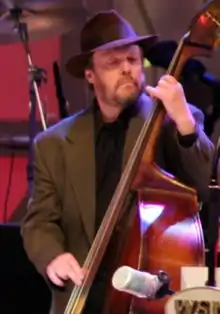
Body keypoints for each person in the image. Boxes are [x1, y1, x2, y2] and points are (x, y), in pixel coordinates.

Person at [21, 9, 214, 314]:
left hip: (150, 300)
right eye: (113, 62)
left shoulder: (171, 120)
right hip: (84, 298)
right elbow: (39, 221)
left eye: (133, 60)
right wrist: (52, 256)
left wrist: (186, 124)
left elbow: (203, 184)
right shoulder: (54, 144)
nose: (126, 68)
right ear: (90, 74)